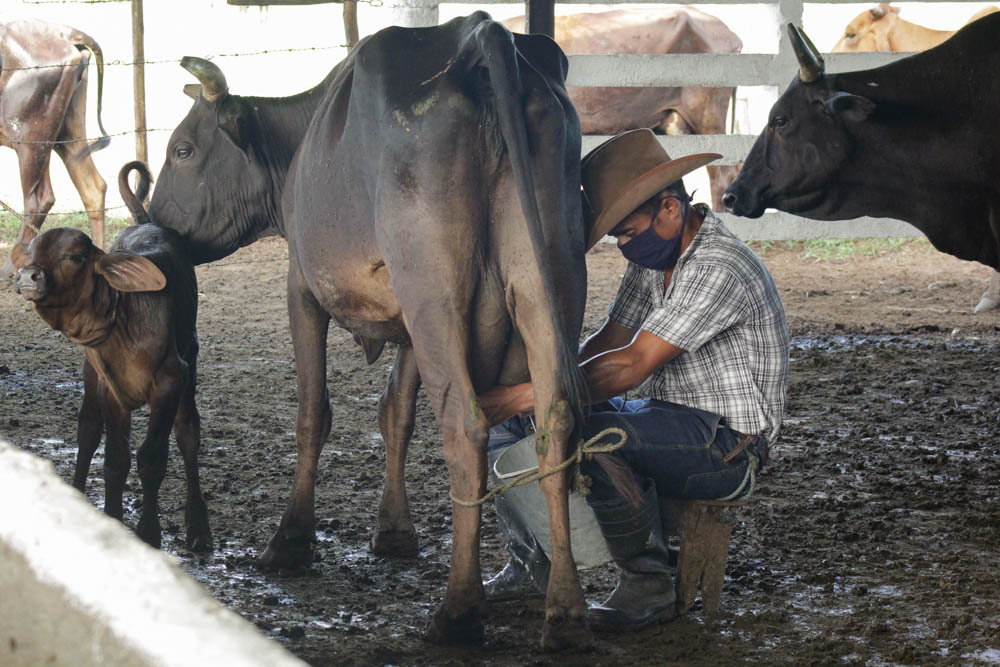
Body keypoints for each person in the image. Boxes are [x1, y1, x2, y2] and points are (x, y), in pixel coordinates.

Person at [478, 128, 790, 631]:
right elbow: (610, 340)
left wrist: (525, 394)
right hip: (669, 421)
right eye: (618, 236)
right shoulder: (658, 258)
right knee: (513, 427)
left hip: (728, 444)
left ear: (670, 208)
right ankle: (528, 564)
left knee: (597, 437)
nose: (625, 245)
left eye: (627, 231)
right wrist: (538, 390)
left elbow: (631, 365)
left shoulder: (718, 266)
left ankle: (649, 586)